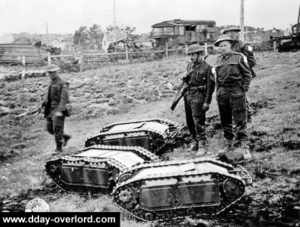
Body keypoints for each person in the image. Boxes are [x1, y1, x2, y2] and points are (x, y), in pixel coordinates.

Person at [214, 35, 252, 161]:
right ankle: (229, 143)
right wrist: (218, 92)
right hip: (222, 92)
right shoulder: (218, 60)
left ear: (230, 46)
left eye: (225, 45)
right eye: (220, 46)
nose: (223, 48)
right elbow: (217, 79)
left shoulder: (239, 57)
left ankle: (244, 145)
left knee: (240, 119)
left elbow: (247, 74)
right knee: (225, 120)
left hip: (236, 91)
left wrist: (243, 89)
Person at [183, 44, 215, 157]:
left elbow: (210, 87)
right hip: (188, 96)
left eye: (193, 54)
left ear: (199, 54)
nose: (191, 57)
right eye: (190, 54)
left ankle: (202, 145)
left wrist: (207, 101)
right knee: (189, 121)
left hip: (199, 96)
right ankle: (195, 141)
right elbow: (188, 80)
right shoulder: (189, 66)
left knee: (198, 121)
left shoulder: (207, 67)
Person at [223, 26, 256, 122]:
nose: (232, 34)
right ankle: (243, 115)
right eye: (229, 33)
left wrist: (241, 70)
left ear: (237, 33)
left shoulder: (242, 45)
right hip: (231, 77)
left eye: (234, 32)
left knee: (240, 96)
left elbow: (252, 61)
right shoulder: (226, 46)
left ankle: (248, 115)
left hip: (241, 76)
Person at [42, 64, 71, 155]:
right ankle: (65, 137)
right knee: (49, 128)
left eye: (52, 72)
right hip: (50, 109)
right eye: (49, 73)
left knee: (57, 128)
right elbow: (49, 95)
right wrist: (43, 103)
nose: (50, 74)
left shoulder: (62, 83)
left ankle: (59, 148)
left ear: (56, 72)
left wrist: (59, 111)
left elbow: (64, 99)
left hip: (58, 109)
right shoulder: (52, 82)